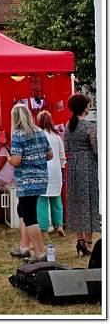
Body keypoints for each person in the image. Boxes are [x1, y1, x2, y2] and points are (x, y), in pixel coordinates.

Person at [7, 103, 52, 261]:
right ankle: (24, 247)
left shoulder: (18, 135)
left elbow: (16, 160)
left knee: (29, 215)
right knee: (23, 209)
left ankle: (40, 253)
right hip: (41, 178)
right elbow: (50, 155)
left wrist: (8, 159)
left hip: (27, 180)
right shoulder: (40, 132)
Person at [64, 92, 100, 256]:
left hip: (73, 164)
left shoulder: (68, 126)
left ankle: (79, 241)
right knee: (89, 200)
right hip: (87, 164)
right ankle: (88, 241)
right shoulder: (88, 127)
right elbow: (96, 148)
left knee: (77, 201)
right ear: (84, 108)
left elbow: (66, 148)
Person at [36, 110, 66, 237]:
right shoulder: (57, 137)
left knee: (42, 200)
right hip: (56, 171)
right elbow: (62, 156)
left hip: (43, 170)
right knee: (56, 199)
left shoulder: (38, 135)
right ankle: (59, 225)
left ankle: (43, 229)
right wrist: (62, 168)